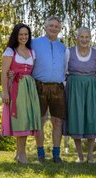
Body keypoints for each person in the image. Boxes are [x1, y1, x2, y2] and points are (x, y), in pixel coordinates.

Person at [1, 23, 41, 164]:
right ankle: (22, 155)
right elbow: (4, 73)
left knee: (27, 120)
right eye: (21, 34)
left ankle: (19, 154)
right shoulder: (10, 51)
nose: (23, 37)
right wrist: (5, 93)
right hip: (16, 88)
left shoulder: (32, 52)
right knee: (20, 120)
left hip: (29, 88)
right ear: (16, 36)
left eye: (26, 34)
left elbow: (31, 71)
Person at [65, 27, 96, 163]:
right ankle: (80, 156)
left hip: (91, 88)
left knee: (91, 118)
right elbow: (64, 72)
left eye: (87, 37)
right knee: (76, 118)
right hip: (75, 89)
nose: (84, 40)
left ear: (90, 38)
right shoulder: (69, 52)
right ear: (77, 38)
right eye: (81, 37)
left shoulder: (95, 53)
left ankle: (90, 155)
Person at [32, 16, 66, 163]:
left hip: (58, 87)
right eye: (50, 25)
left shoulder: (63, 47)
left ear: (60, 29)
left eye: (56, 26)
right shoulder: (34, 43)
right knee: (39, 120)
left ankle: (56, 154)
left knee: (57, 121)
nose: (53, 28)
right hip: (39, 86)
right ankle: (40, 153)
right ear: (45, 27)